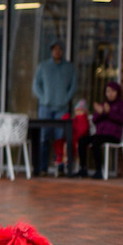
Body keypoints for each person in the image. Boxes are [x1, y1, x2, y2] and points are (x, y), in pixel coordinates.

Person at [32, 40, 78, 175]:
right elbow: (36, 85)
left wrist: (65, 98)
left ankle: (61, 168)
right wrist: (43, 98)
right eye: (55, 49)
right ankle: (42, 168)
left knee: (61, 139)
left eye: (60, 49)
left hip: (62, 108)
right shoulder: (43, 66)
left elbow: (73, 86)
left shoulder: (69, 67)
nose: (57, 52)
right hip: (45, 107)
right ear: (51, 51)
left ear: (63, 51)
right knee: (44, 137)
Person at [76, 82, 123, 179]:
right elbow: (94, 120)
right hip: (100, 134)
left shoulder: (122, 105)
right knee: (82, 140)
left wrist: (109, 112)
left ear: (117, 92)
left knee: (96, 142)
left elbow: (122, 120)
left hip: (114, 135)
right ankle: (83, 168)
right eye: (108, 91)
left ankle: (99, 170)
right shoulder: (103, 104)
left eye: (113, 91)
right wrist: (99, 113)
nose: (110, 93)